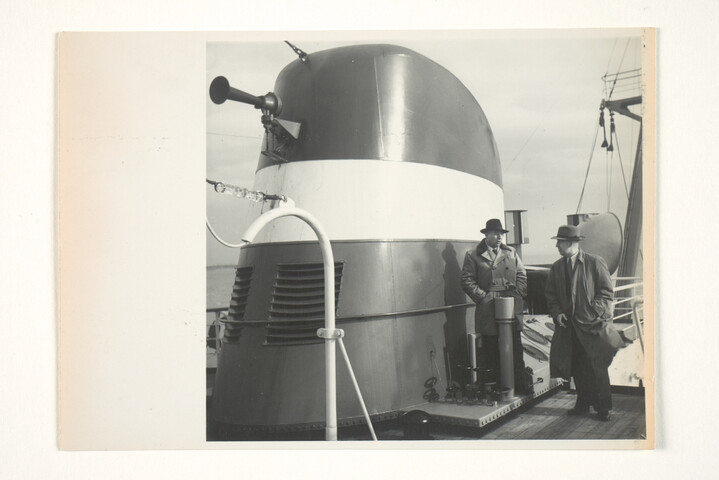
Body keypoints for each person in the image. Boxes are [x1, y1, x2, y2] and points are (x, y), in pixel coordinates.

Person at [544, 224, 622, 422]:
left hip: (592, 326)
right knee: (577, 366)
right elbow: (551, 295)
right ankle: (583, 403)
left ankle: (603, 408)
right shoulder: (557, 267)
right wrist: (557, 313)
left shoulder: (594, 262)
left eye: (559, 243)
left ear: (571, 243)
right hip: (569, 329)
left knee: (597, 367)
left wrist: (592, 312)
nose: (557, 247)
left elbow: (606, 293)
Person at [460, 218, 531, 394]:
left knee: (514, 344)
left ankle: (519, 384)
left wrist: (516, 294)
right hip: (488, 306)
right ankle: (496, 387)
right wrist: (483, 297)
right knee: (491, 346)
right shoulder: (473, 254)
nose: (499, 237)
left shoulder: (511, 252)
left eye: (501, 234)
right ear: (486, 235)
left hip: (510, 302)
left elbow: (522, 275)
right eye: (495, 233)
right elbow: (466, 280)